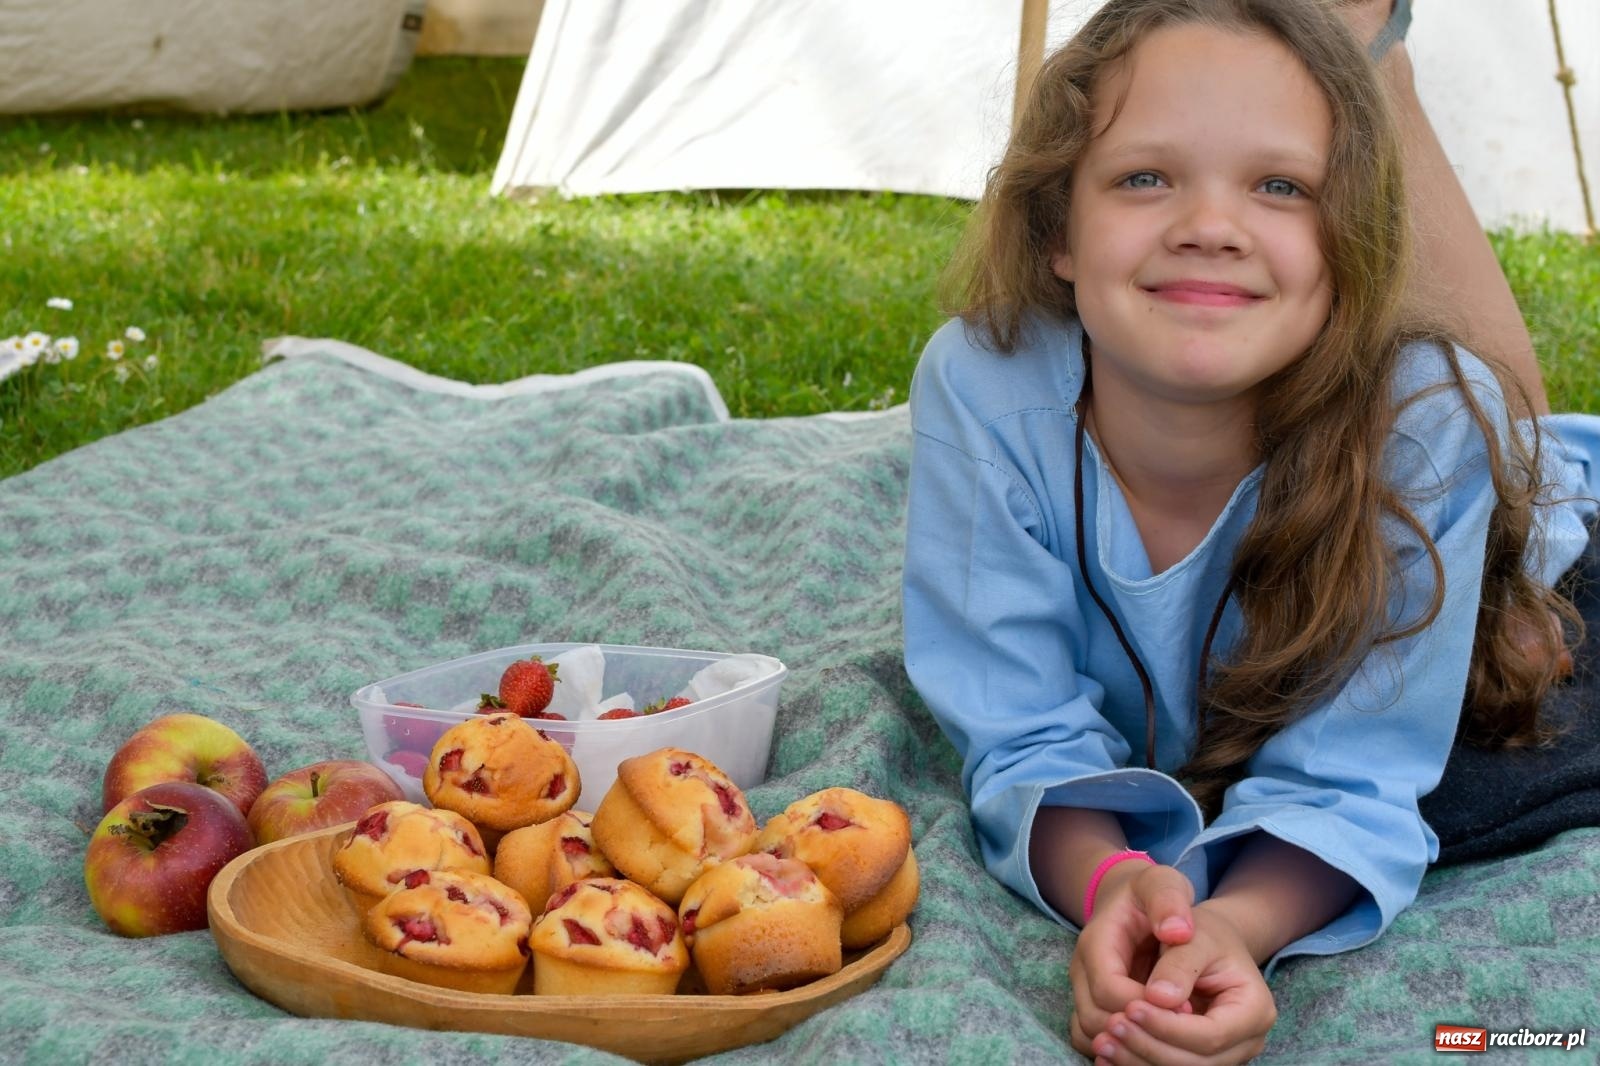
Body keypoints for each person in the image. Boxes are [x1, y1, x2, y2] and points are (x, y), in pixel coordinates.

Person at [900, 1, 1600, 1063]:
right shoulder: (982, 384)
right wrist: (1120, 887)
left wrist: (1244, 922)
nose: (1207, 225)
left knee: (1514, 629)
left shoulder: (1425, 433)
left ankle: (1379, 58)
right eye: (1144, 178)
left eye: (1280, 186)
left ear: (1348, 241)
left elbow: (1351, 778)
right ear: (1056, 232)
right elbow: (1016, 731)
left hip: (1523, 528)